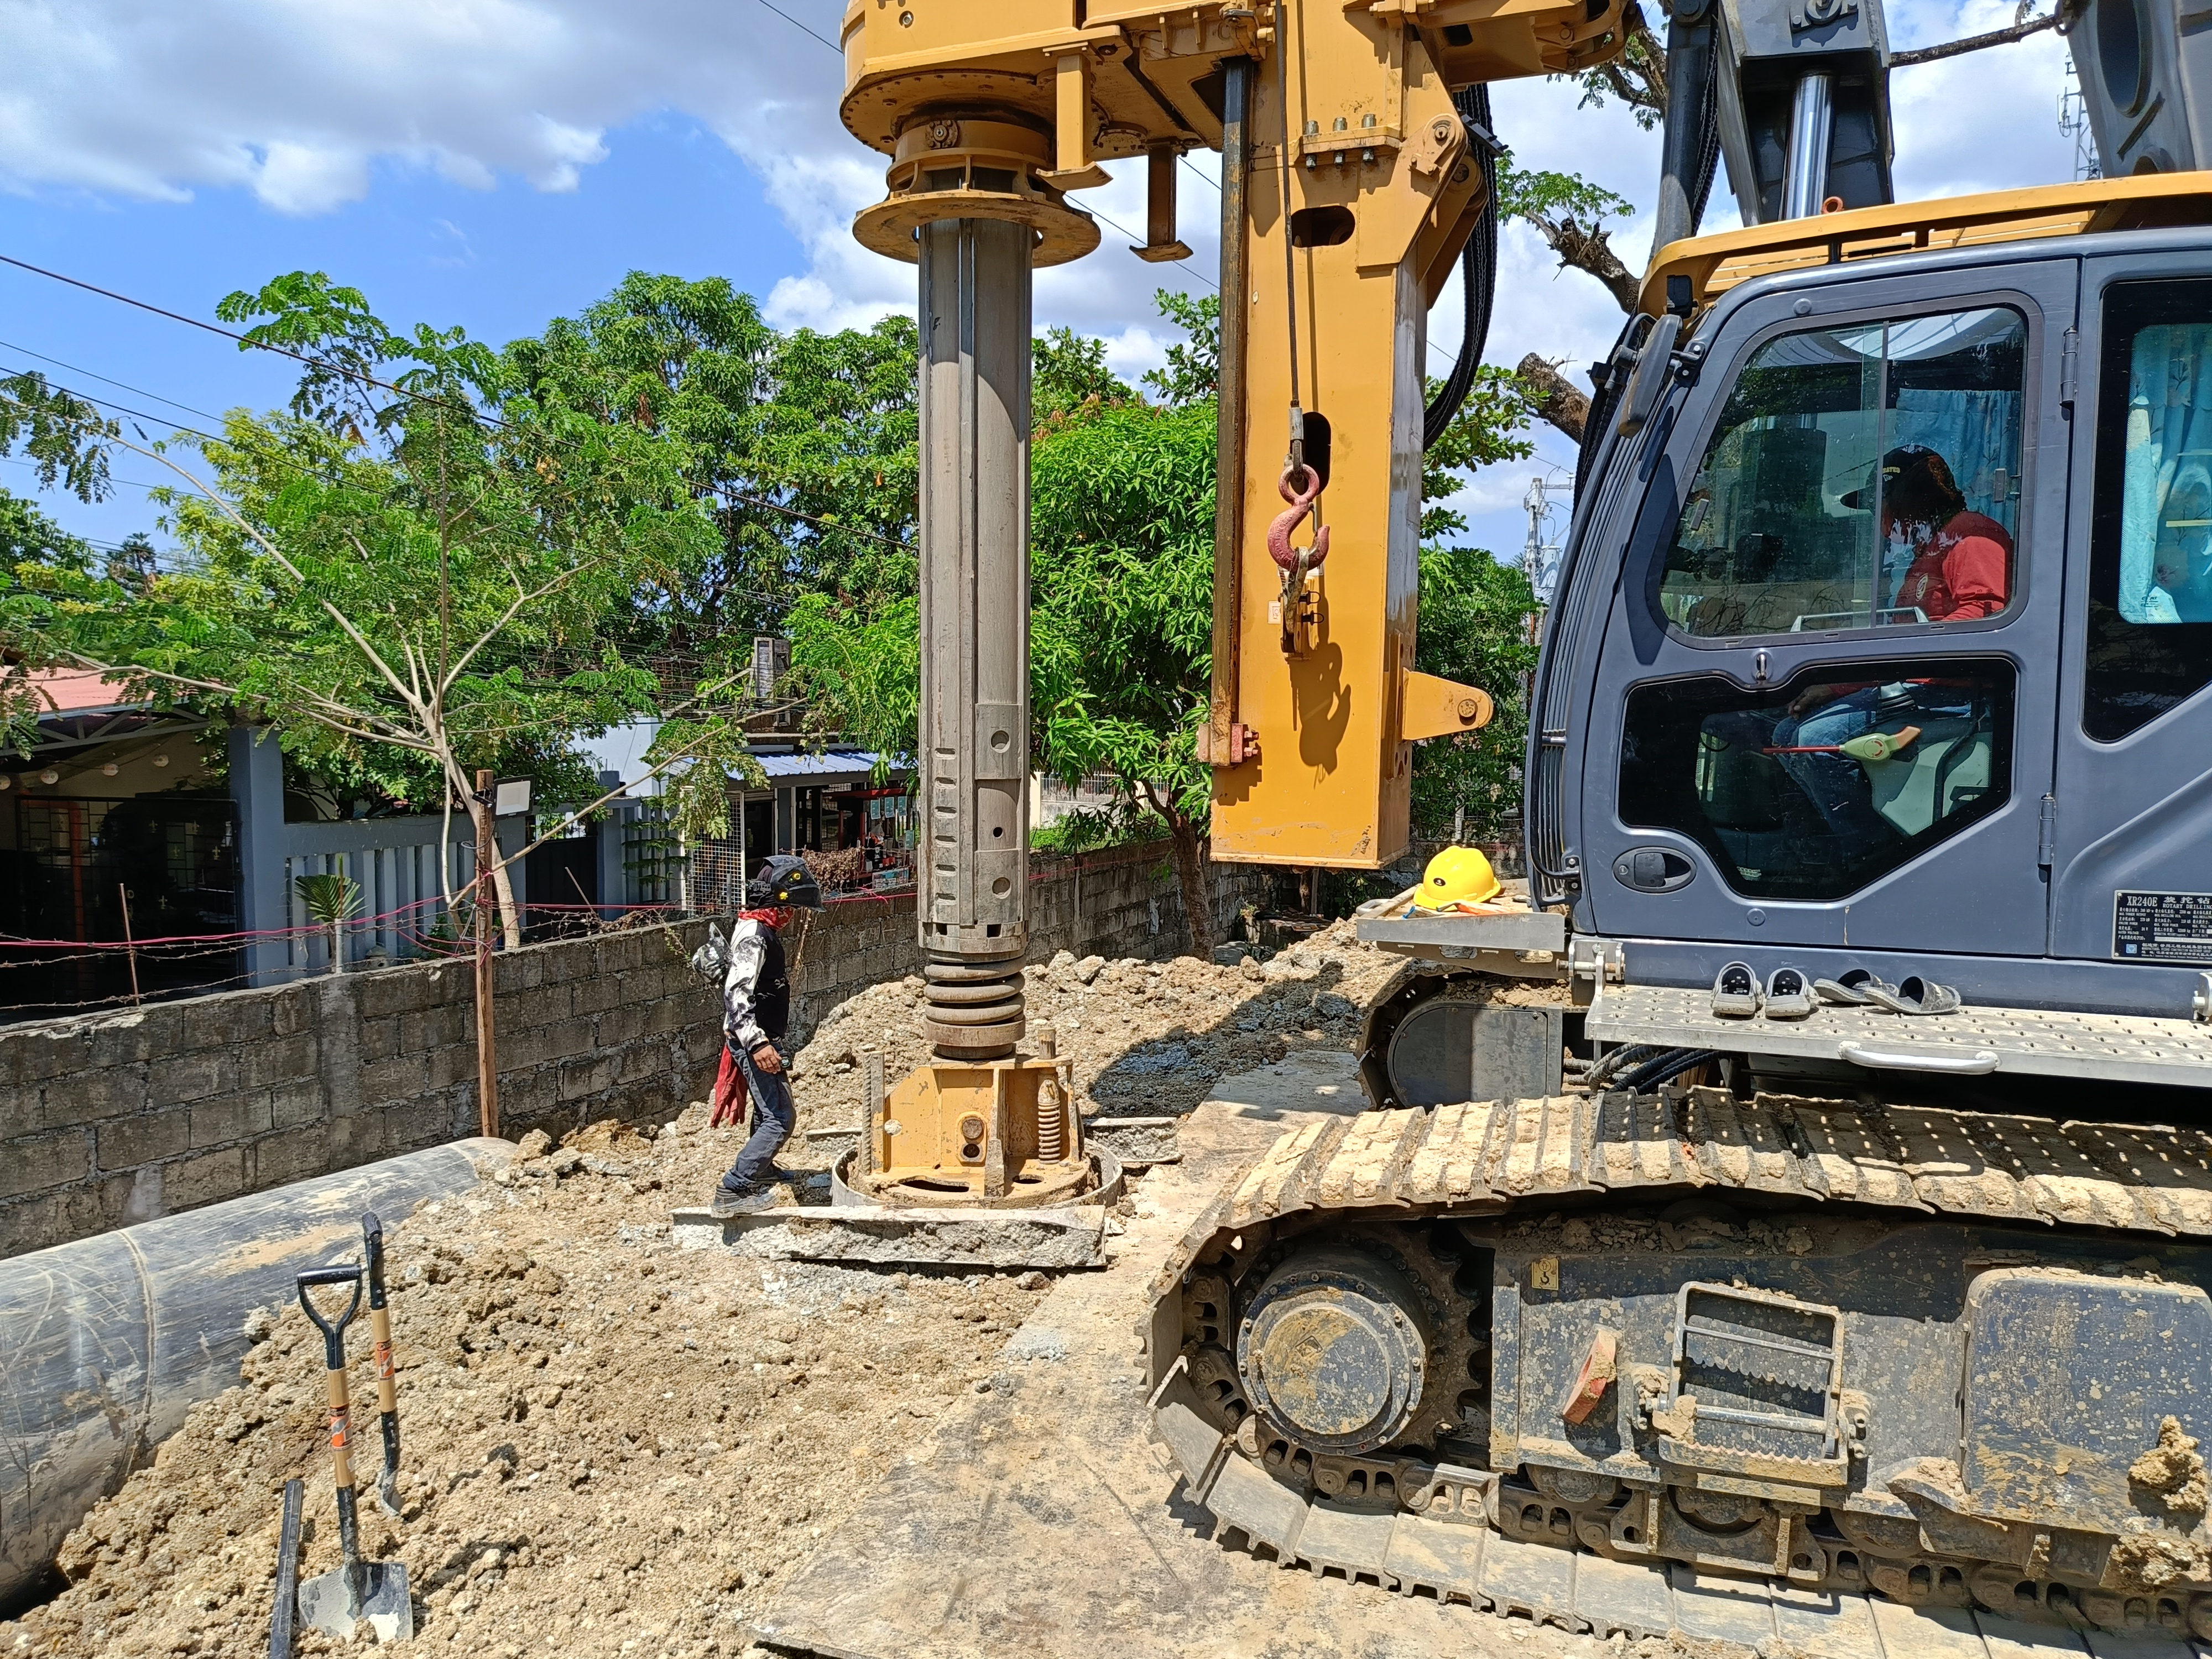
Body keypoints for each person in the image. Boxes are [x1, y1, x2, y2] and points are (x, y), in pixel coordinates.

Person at [701, 853, 822, 1218]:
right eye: (792, 910)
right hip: (752, 1039)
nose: (793, 918)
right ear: (779, 904)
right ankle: (734, 1187)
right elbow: (737, 995)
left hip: (760, 1035)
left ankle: (763, 1169)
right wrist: (757, 1043)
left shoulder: (757, 926)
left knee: (766, 1106)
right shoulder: (755, 936)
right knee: (780, 1118)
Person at [1840, 444, 2013, 622]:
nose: (1881, 522)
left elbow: (1986, 613)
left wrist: (1915, 647)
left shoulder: (1969, 533)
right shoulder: (1933, 545)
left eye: (1879, 508)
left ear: (1912, 497)